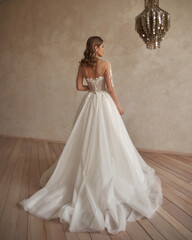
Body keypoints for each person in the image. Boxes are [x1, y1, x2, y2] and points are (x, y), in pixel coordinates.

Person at [18, 36, 163, 234]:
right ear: (95, 47)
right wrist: (118, 105)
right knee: (111, 139)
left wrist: (93, 88)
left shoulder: (83, 65)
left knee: (86, 140)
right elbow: (110, 87)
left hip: (89, 104)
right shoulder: (105, 64)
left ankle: (88, 169)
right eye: (102, 46)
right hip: (104, 104)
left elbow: (79, 87)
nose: (104, 49)